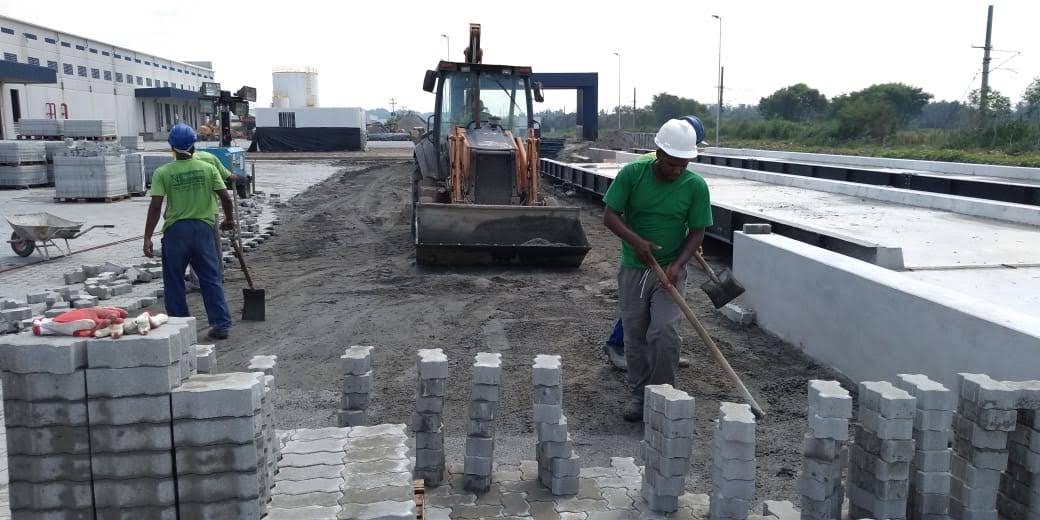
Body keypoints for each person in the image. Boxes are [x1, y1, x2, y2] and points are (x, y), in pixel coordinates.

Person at [602, 118, 713, 421]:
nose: (677, 170)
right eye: (671, 164)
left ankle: (662, 394)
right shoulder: (632, 175)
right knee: (635, 336)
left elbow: (697, 232)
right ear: (658, 153)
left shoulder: (695, 186)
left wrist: (678, 265)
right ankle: (639, 394)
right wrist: (636, 241)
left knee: (664, 332)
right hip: (634, 268)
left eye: (683, 165)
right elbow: (610, 216)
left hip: (670, 271)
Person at [144, 124, 236, 340]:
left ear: (172, 147)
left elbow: (156, 206)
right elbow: (225, 197)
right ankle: (221, 325)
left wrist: (148, 236)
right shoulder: (208, 168)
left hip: (176, 232)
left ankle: (179, 326)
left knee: (174, 280)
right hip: (203, 230)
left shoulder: (163, 172)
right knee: (210, 278)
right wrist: (229, 219)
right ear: (194, 145)